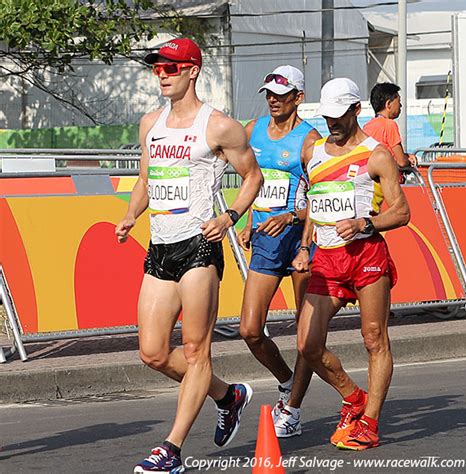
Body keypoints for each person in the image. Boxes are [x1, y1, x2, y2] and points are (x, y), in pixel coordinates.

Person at [115, 38, 263, 473]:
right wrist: (130, 215)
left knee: (197, 350)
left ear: (192, 71)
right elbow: (147, 178)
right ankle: (228, 395)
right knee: (153, 353)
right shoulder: (150, 124)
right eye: (157, 69)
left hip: (200, 246)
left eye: (170, 68)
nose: (161, 74)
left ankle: (171, 450)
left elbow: (251, 176)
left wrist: (231, 216)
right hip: (160, 247)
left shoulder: (218, 126)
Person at [293, 78, 410, 450]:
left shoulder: (377, 154)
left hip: (366, 255)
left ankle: (370, 423)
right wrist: (305, 243)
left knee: (374, 338)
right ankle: (353, 396)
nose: (332, 123)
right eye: (327, 116)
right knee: (307, 344)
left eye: (339, 115)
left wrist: (365, 223)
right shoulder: (312, 153)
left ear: (356, 110)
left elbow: (402, 211)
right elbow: (315, 199)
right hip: (327, 259)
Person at [238, 65, 321, 438]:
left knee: (306, 336)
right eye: (268, 92)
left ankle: (293, 409)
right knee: (250, 330)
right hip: (266, 239)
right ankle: (287, 381)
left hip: (301, 237)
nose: (273, 98)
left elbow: (322, 200)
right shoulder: (252, 130)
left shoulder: (310, 140)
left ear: (298, 98)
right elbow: (246, 178)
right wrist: (241, 216)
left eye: (280, 93)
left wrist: (291, 216)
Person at [363, 82, 417, 169]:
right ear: (388, 104)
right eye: (399, 101)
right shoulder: (389, 125)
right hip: (388, 179)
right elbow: (401, 161)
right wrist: (409, 159)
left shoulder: (367, 126)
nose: (401, 105)